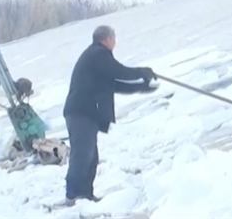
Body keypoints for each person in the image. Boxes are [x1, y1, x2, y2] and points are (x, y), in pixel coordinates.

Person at [62, 25, 159, 204]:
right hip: (80, 112)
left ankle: (85, 195)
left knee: (91, 157)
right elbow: (119, 71)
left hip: (86, 113)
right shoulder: (98, 54)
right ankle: (72, 195)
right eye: (114, 38)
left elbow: (113, 84)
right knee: (82, 155)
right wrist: (142, 72)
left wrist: (141, 86)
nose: (115, 42)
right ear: (106, 39)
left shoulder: (98, 60)